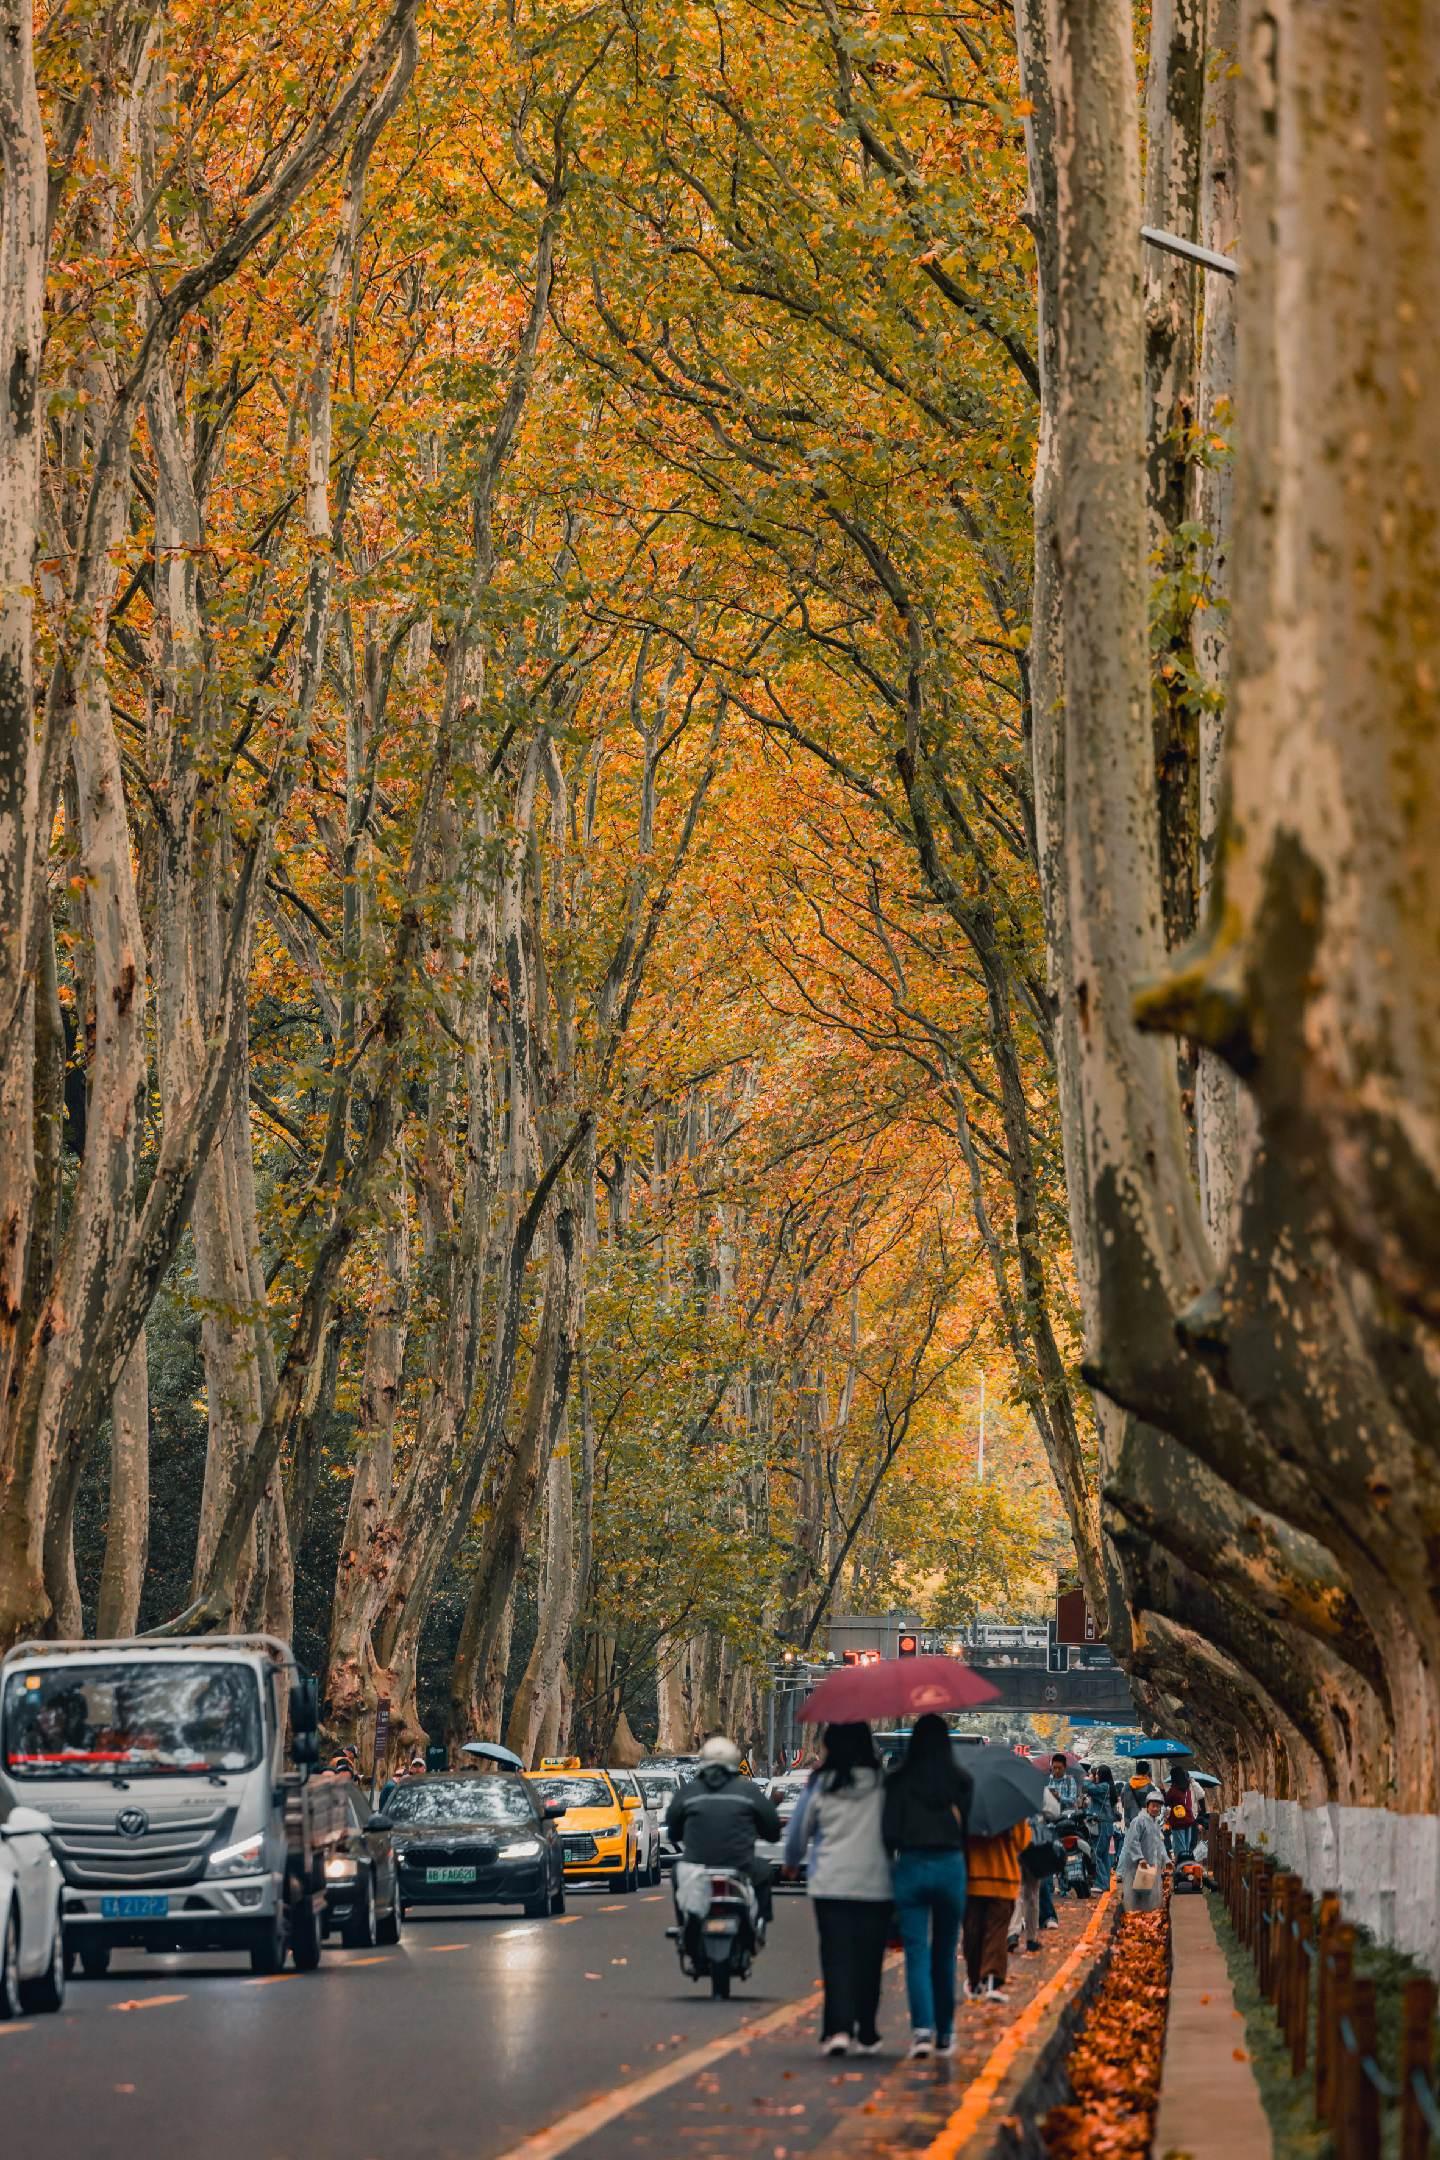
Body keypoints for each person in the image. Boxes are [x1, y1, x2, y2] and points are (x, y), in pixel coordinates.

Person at [787, 1722, 892, 2057]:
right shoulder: (882, 1784)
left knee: (836, 1957)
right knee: (869, 1959)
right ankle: (868, 2030)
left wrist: (792, 1861)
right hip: (875, 1883)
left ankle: (837, 2030)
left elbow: (800, 1829)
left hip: (830, 1882)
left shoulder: (820, 1783)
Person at [882, 1713, 973, 2060]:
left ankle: (922, 2030)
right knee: (946, 1952)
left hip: (912, 1866)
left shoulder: (897, 1781)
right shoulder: (962, 1781)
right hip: (951, 1867)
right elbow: (966, 1831)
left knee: (916, 1951)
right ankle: (946, 2033)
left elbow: (887, 1834)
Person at [667, 1734, 781, 1925]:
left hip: (696, 1867)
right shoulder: (749, 1791)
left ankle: (683, 1925)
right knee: (765, 1870)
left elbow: (673, 1833)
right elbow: (772, 1832)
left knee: (676, 1872)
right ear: (735, 1760)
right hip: (741, 1866)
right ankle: (760, 1923)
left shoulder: (688, 1792)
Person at [965, 1813, 1031, 1998]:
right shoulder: (1010, 1805)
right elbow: (1022, 1842)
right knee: (998, 1932)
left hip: (973, 1879)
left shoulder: (968, 1801)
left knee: (973, 1932)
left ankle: (974, 1982)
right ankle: (993, 1979)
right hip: (1004, 1879)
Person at [1117, 1787, 1167, 1912]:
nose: (1155, 1809)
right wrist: (1140, 1858)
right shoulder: (1138, 1821)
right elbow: (1132, 1842)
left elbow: (1160, 1845)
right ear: (1147, 1806)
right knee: (1134, 1893)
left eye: (1158, 1807)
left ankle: (1148, 1916)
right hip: (1137, 1865)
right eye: (1153, 1806)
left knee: (1150, 1893)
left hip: (1150, 1865)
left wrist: (1166, 1860)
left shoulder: (1155, 1823)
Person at [1082, 1763, 1118, 1891]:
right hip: (1105, 1823)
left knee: (1096, 1853)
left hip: (1102, 1823)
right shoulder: (1108, 1786)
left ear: (1102, 1775)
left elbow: (1088, 1787)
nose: (1095, 1776)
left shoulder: (1103, 1786)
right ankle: (1105, 1882)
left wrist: (1086, 1779)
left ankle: (1101, 1884)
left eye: (1097, 1774)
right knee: (1103, 1855)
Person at [1165, 1766, 1198, 1860]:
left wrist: (1163, 1791)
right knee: (1186, 1847)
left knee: (1180, 1847)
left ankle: (1182, 1867)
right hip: (1189, 1819)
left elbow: (1166, 1802)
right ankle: (1187, 1866)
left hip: (1178, 1821)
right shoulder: (1187, 1788)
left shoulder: (1174, 1790)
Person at [1121, 1759, 1154, 1823]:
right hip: (1144, 1822)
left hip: (1129, 1821)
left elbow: (1123, 1803)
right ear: (1147, 1772)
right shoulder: (1150, 1788)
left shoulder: (1127, 1786)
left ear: (1136, 1771)